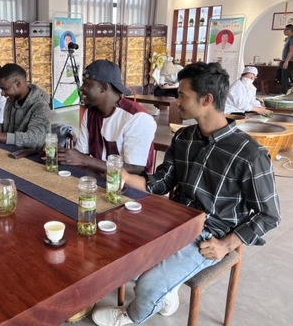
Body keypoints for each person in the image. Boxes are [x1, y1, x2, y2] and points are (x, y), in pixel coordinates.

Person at [91, 62, 281, 326]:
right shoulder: (184, 138)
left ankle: (132, 315)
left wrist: (226, 244)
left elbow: (269, 215)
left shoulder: (250, 154)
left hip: (210, 235)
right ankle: (166, 292)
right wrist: (125, 177)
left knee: (146, 285)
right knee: (117, 249)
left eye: (182, 95)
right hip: (174, 220)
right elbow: (160, 184)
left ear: (207, 99)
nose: (176, 101)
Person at [58, 60, 156, 175]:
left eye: (86, 84)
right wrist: (64, 155)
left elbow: (135, 168)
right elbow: (82, 154)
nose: (81, 88)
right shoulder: (90, 113)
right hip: (98, 180)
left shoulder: (137, 118)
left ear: (103, 87)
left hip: (129, 187)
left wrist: (83, 160)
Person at [0, 63, 51, 149]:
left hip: (35, 157)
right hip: (11, 151)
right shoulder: (12, 100)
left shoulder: (41, 105)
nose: (2, 93)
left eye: (5, 89)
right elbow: (6, 130)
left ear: (18, 84)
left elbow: (35, 139)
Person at [276, 24, 293, 94]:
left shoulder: (292, 38)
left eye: (285, 29)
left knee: (284, 77)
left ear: (289, 30)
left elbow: (291, 51)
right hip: (285, 60)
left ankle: (284, 93)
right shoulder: (288, 39)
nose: (284, 31)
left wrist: (286, 61)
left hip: (290, 61)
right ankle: (288, 88)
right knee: (279, 74)